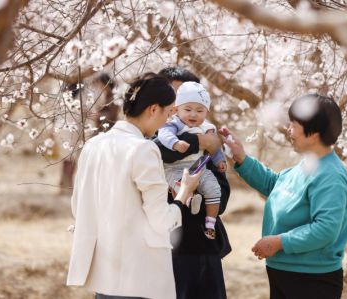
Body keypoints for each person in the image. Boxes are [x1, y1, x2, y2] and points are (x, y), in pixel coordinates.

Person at [66, 76, 202, 299]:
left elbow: (78, 207)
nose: (167, 122)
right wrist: (184, 192)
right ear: (154, 109)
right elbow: (161, 220)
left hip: (104, 273)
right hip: (139, 276)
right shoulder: (143, 149)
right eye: (168, 114)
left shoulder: (93, 145)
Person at [221, 94, 347, 299]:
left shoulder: (330, 176)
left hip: (311, 281)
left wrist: (279, 242)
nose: (288, 129)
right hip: (288, 273)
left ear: (314, 131)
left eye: (294, 124)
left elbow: (326, 228)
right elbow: (275, 185)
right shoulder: (308, 165)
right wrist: (242, 158)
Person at [156, 66, 230, 299]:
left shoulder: (209, 139)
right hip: (163, 250)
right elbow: (160, 150)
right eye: (172, 99)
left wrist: (208, 147)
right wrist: (198, 141)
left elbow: (223, 199)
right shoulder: (149, 139)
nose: (174, 106)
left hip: (204, 249)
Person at [157, 81, 227, 240]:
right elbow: (163, 135)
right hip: (175, 168)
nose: (193, 115)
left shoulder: (207, 128)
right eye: (187, 110)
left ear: (206, 112)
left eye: (199, 110)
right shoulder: (174, 123)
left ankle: (210, 223)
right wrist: (175, 143)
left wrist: (219, 160)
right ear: (176, 110)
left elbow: (214, 146)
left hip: (198, 167)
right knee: (178, 183)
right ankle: (188, 200)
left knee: (213, 188)